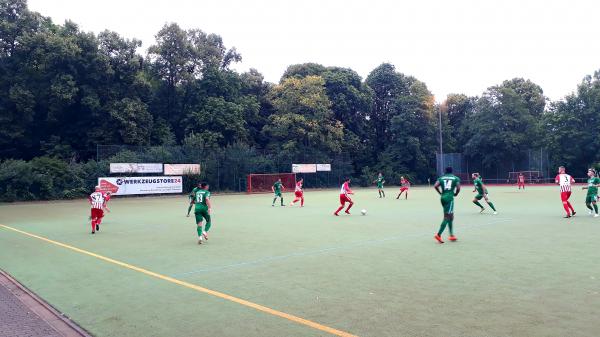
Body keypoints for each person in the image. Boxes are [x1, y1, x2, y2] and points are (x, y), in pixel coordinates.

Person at [433, 167, 461, 243]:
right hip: (449, 198)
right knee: (447, 217)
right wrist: (456, 193)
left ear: (445, 171)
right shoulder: (455, 178)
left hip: (443, 198)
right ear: (452, 171)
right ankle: (438, 235)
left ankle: (451, 235)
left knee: (450, 216)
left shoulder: (441, 178)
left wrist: (440, 193)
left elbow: (435, 186)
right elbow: (458, 188)